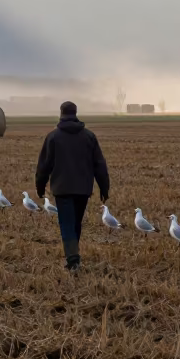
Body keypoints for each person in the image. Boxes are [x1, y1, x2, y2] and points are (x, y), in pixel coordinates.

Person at [35, 101, 110, 272]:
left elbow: (43, 166)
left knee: (67, 223)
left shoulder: (53, 137)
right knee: (75, 223)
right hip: (83, 189)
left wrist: (40, 186)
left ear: (61, 113)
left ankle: (72, 259)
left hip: (62, 189)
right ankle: (73, 258)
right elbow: (100, 165)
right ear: (76, 113)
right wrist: (104, 188)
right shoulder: (89, 136)